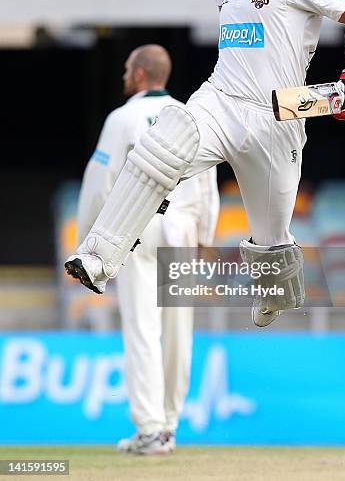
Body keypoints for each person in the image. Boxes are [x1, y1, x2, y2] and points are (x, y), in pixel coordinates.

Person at [65, 0, 345, 328]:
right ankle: (99, 256)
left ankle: (275, 296)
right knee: (158, 149)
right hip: (219, 100)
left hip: (276, 118)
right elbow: (236, 7)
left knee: (271, 238)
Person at [75, 44, 220, 454]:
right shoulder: (192, 116)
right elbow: (208, 180)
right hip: (184, 230)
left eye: (126, 69)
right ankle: (169, 426)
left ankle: (151, 430)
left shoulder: (121, 119)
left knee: (142, 329)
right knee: (179, 332)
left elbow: (99, 183)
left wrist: (86, 247)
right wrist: (205, 235)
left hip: (137, 231)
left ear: (139, 75)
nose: (123, 75)